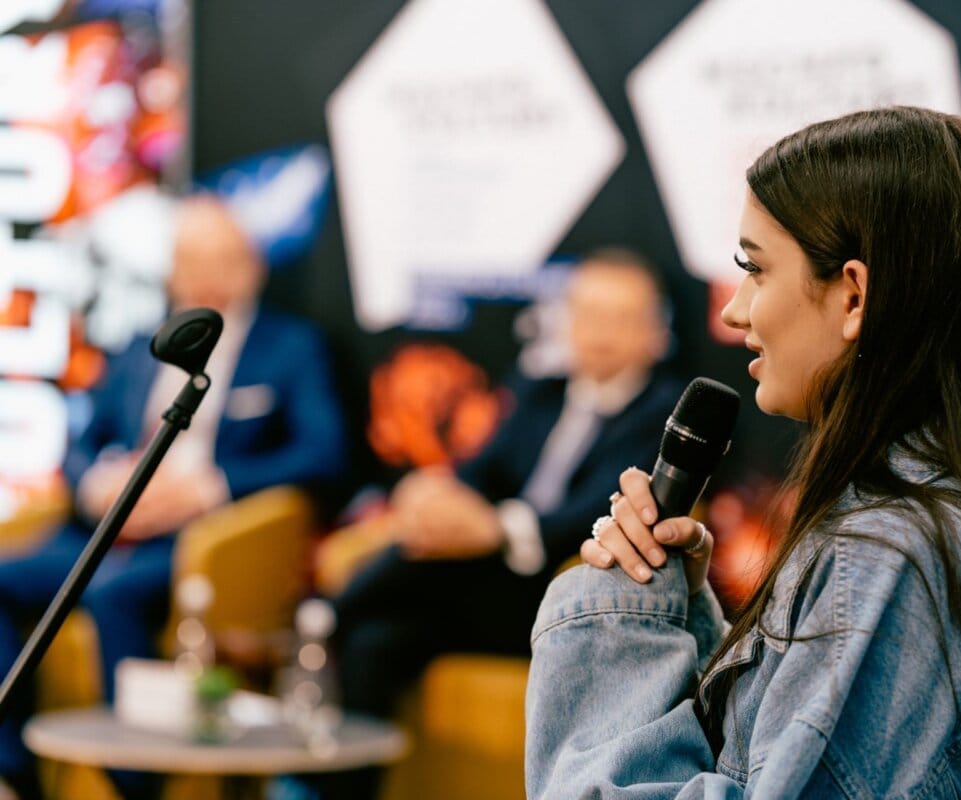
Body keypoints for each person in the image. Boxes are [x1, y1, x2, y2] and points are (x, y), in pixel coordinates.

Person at [525, 108, 961, 799]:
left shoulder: (888, 551)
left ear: (854, 295)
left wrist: (616, 619)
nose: (735, 311)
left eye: (756, 270)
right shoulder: (933, 521)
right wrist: (682, 607)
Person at [0, 195, 346, 798]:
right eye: (189, 259)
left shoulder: (291, 347)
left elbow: (324, 453)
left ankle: (134, 781)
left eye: (220, 259)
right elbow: (83, 443)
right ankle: (12, 769)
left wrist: (210, 489)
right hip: (110, 524)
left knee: (114, 594)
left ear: (252, 266)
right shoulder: (143, 345)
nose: (203, 274)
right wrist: (98, 482)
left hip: (201, 538)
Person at [301, 250, 680, 799]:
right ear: (567, 321)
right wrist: (443, 498)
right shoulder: (541, 391)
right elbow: (481, 470)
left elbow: (605, 512)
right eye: (590, 314)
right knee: (374, 645)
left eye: (623, 318)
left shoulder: (663, 415)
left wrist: (498, 530)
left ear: (653, 332)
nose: (603, 333)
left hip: (563, 593)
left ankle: (321, 617)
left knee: (440, 559)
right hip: (478, 588)